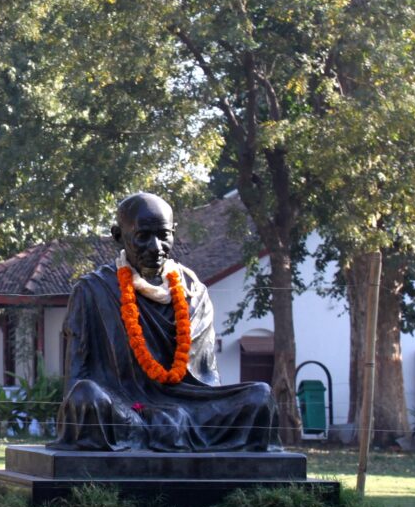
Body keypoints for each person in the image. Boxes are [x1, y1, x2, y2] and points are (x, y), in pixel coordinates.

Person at [52, 192, 279, 451]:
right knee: (85, 397)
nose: (155, 247)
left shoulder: (193, 291)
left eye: (163, 235)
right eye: (143, 236)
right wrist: (134, 410)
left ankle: (165, 432)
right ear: (118, 236)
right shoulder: (93, 290)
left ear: (174, 232)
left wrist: (178, 410)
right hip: (124, 409)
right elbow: (76, 380)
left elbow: (207, 377)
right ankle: (155, 431)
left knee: (260, 397)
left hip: (190, 406)